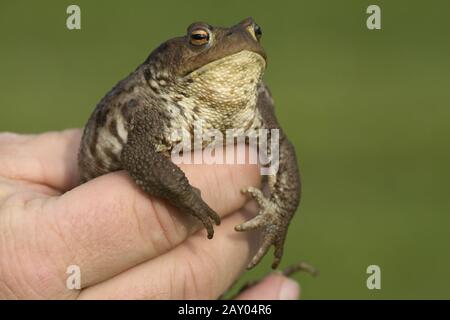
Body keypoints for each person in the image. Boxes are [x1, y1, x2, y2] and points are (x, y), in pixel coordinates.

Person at [0, 129, 300, 299]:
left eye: (255, 33)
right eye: (200, 39)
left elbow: (278, 144)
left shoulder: (255, 97)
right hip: (100, 178)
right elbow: (137, 154)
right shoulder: (158, 96)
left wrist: (278, 212)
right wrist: (185, 194)